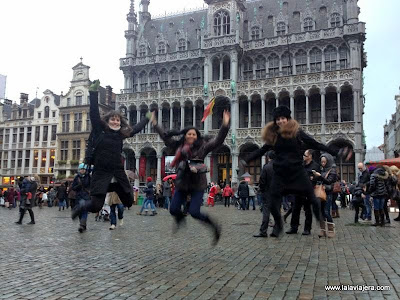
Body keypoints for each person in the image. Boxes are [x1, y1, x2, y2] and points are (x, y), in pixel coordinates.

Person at [244, 106, 351, 237]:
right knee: (272, 202)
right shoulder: (274, 136)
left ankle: (321, 223)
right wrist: (247, 160)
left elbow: (316, 144)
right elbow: (262, 150)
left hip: (297, 172)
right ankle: (279, 224)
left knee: (312, 198)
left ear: (288, 119)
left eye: (282, 118)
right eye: (277, 119)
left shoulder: (297, 133)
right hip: (280, 173)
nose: (280, 121)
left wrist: (337, 152)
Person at [72, 80, 154, 220]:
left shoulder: (120, 134)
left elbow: (136, 129)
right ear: (107, 120)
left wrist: (147, 118)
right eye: (113, 119)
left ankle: (114, 187)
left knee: (128, 201)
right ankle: (82, 207)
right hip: (101, 170)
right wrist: (93, 93)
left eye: (117, 120)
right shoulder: (100, 130)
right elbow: (93, 113)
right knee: (96, 205)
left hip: (117, 170)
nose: (115, 122)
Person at [152, 109, 230, 246]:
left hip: (197, 184)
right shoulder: (177, 146)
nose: (192, 136)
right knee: (174, 209)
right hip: (182, 183)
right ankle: (180, 219)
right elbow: (165, 136)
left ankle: (214, 227)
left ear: (197, 136)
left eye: (194, 134)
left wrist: (225, 125)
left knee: (194, 212)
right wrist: (154, 123)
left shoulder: (203, 147)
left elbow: (218, 140)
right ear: (185, 135)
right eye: (189, 134)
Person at [286, 149, 320, 235]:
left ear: (310, 156)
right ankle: (294, 228)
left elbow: (315, 179)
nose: (303, 157)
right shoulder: (301, 164)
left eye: (305, 155)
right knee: (295, 209)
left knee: (308, 211)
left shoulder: (315, 166)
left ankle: (307, 229)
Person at [312, 153, 338, 238]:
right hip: (321, 193)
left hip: (328, 193)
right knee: (321, 212)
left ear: (328, 161)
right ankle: (322, 230)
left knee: (327, 212)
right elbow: (321, 181)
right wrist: (315, 177)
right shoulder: (323, 170)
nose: (323, 163)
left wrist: (320, 177)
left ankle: (331, 230)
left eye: (324, 162)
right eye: (322, 162)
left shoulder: (332, 170)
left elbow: (329, 181)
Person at [253, 150, 276, 238]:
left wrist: (262, 190)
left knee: (266, 212)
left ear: (268, 157)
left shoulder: (266, 167)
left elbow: (262, 181)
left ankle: (263, 231)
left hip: (267, 193)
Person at [71, 163, 91, 232]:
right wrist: (78, 186)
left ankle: (82, 225)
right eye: (81, 169)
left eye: (84, 169)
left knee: (84, 210)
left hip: (86, 196)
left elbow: (91, 186)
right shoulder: (76, 177)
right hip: (79, 196)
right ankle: (83, 224)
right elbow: (73, 187)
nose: (82, 171)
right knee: (80, 211)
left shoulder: (88, 177)